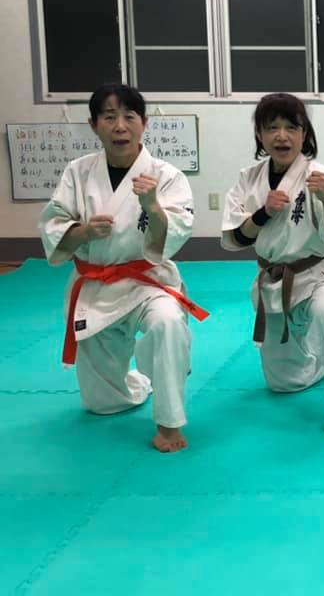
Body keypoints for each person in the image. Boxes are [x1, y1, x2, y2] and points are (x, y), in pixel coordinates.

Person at [38, 84, 207, 453]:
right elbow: (53, 225)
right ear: (93, 125)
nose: (119, 126)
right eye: (109, 116)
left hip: (148, 283)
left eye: (129, 116)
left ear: (144, 123)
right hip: (95, 285)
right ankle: (143, 380)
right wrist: (84, 232)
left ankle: (169, 422)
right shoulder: (77, 172)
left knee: (168, 323)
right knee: (103, 404)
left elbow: (175, 234)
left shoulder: (166, 176)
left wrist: (153, 207)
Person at [221, 93, 324, 436]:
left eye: (291, 127)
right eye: (272, 128)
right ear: (260, 134)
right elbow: (235, 238)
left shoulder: (321, 176)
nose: (281, 136)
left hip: (316, 274)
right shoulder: (248, 178)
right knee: (284, 384)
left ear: (304, 134)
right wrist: (263, 213)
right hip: (273, 279)